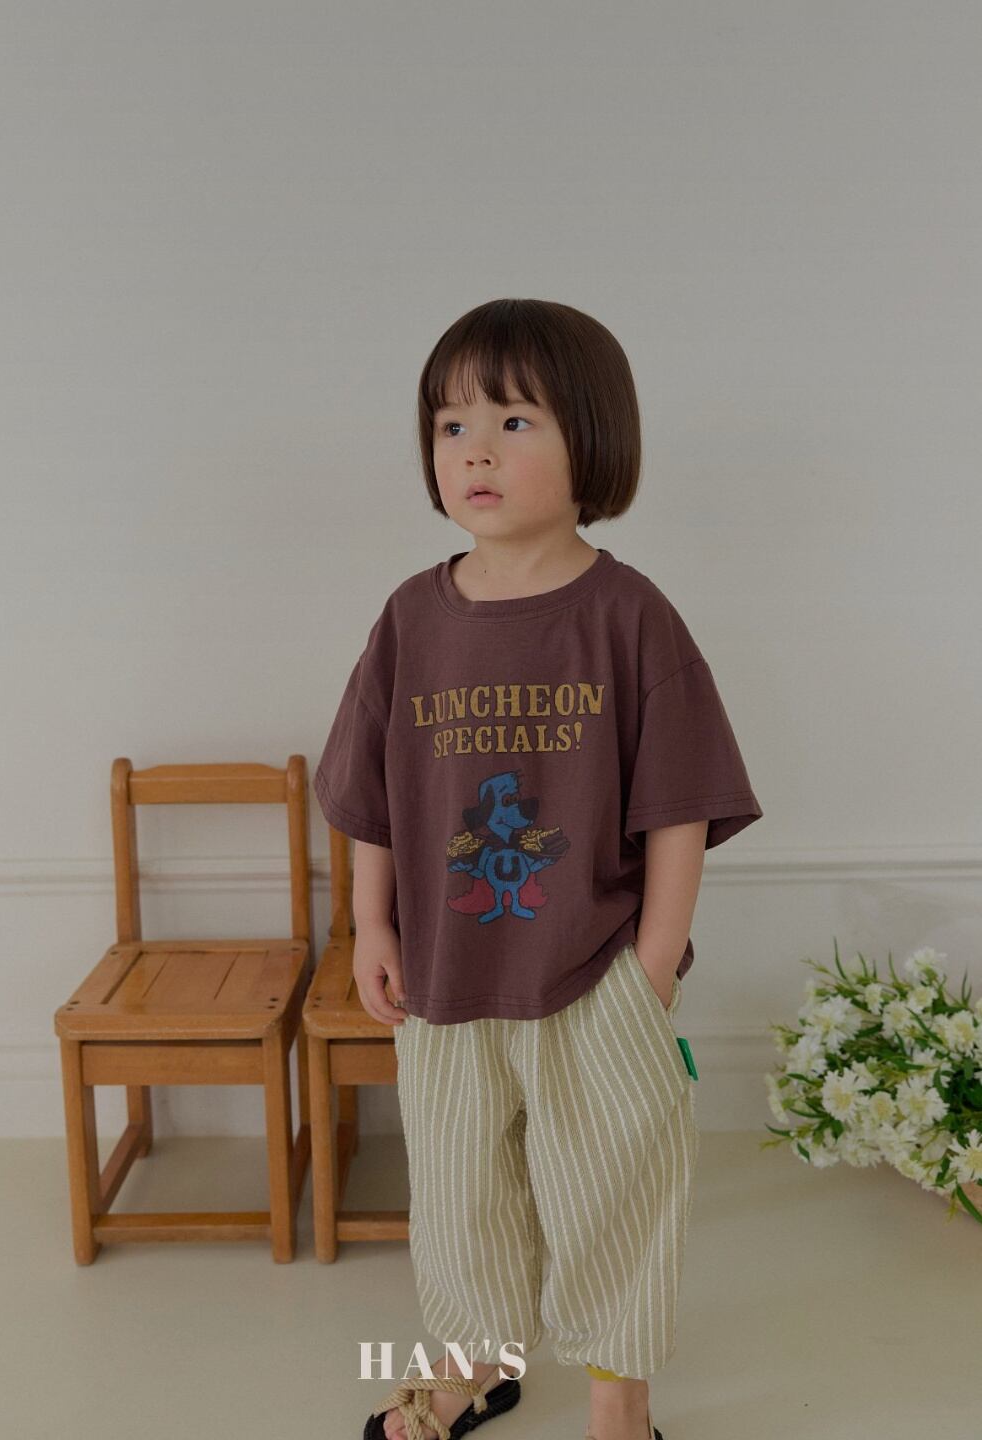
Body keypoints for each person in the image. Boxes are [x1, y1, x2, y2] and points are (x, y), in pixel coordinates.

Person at [314, 298, 763, 1440]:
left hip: (593, 973)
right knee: (460, 1193)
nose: (475, 450)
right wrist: (373, 926)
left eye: (514, 421)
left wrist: (651, 968)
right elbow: (369, 791)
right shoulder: (411, 620)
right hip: (447, 976)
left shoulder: (629, 615)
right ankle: (478, 1363)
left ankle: (620, 1401)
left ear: (592, 441)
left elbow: (679, 805)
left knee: (613, 1189)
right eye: (452, 424)